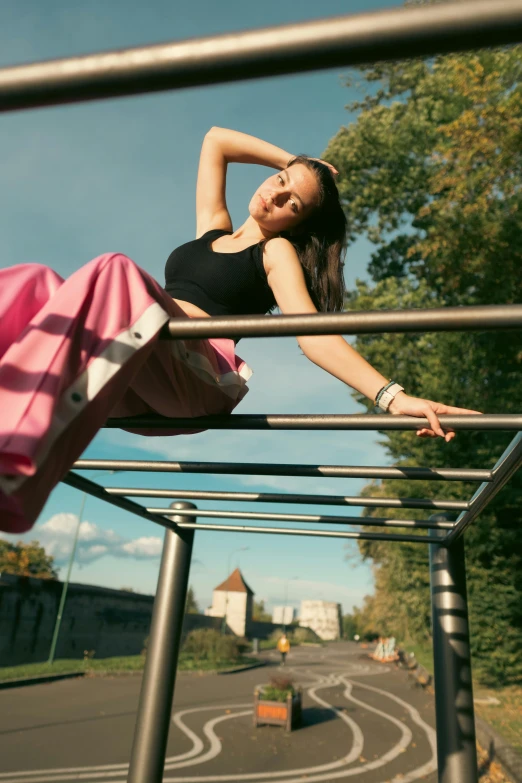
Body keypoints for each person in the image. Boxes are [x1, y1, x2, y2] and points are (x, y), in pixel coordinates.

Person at [0, 127, 479, 535]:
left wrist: (393, 397)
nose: (275, 194)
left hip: (196, 375)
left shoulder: (275, 254)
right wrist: (296, 162)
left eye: (293, 201)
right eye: (279, 181)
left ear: (299, 223)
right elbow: (216, 141)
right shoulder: (213, 230)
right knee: (34, 282)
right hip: (144, 362)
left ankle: (16, 466)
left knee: (117, 271)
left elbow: (315, 337)